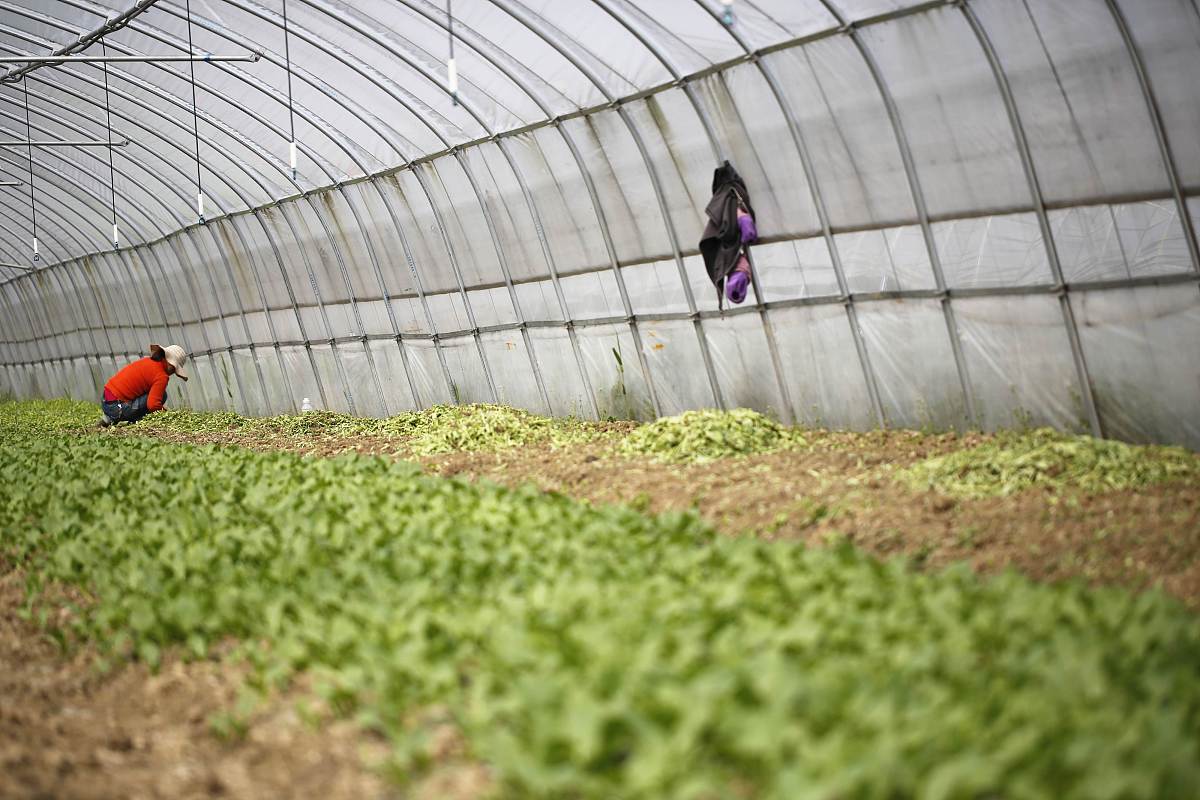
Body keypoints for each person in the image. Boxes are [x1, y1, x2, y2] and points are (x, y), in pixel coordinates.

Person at [98, 344, 189, 428]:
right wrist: (167, 414)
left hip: (106, 400)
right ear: (171, 365)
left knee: (152, 394)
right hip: (117, 408)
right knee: (162, 395)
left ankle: (109, 418)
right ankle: (125, 418)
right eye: (174, 370)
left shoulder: (147, 361)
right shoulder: (161, 376)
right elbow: (153, 405)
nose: (172, 373)